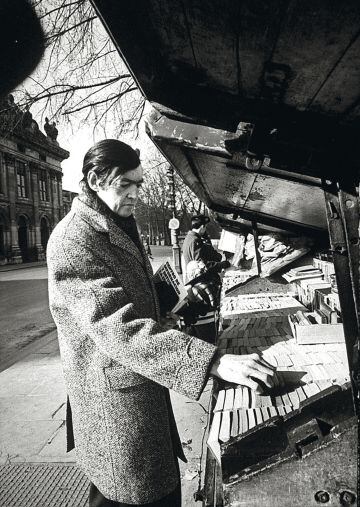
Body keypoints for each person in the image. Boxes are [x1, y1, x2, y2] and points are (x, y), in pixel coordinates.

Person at [47, 139, 275, 507]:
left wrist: (163, 309)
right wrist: (213, 360)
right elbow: (115, 328)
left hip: (137, 390)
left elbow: (126, 293)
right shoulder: (73, 240)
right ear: (94, 179)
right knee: (131, 493)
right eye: (127, 184)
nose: (137, 193)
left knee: (141, 489)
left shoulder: (115, 220)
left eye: (139, 183)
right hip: (114, 405)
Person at [182, 215, 230, 343]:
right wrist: (223, 264)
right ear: (202, 226)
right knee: (208, 320)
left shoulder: (190, 238)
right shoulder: (195, 241)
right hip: (202, 284)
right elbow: (202, 266)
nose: (206, 229)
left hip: (196, 284)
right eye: (205, 227)